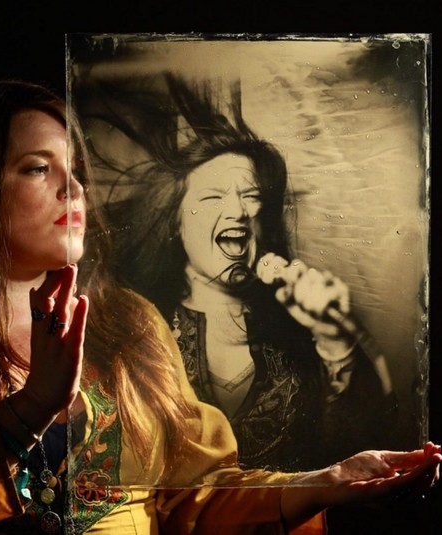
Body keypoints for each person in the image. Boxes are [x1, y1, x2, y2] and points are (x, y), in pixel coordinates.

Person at [0, 79, 442, 535]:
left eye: (77, 170)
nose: (75, 188)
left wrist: (323, 483)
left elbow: (189, 496)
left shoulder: (127, 324)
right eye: (38, 168)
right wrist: (31, 408)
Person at [72, 73, 398, 472]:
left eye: (251, 196)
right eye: (213, 197)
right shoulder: (138, 329)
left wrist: (334, 337)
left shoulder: (299, 330)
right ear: (177, 222)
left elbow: (356, 446)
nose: (237, 211)